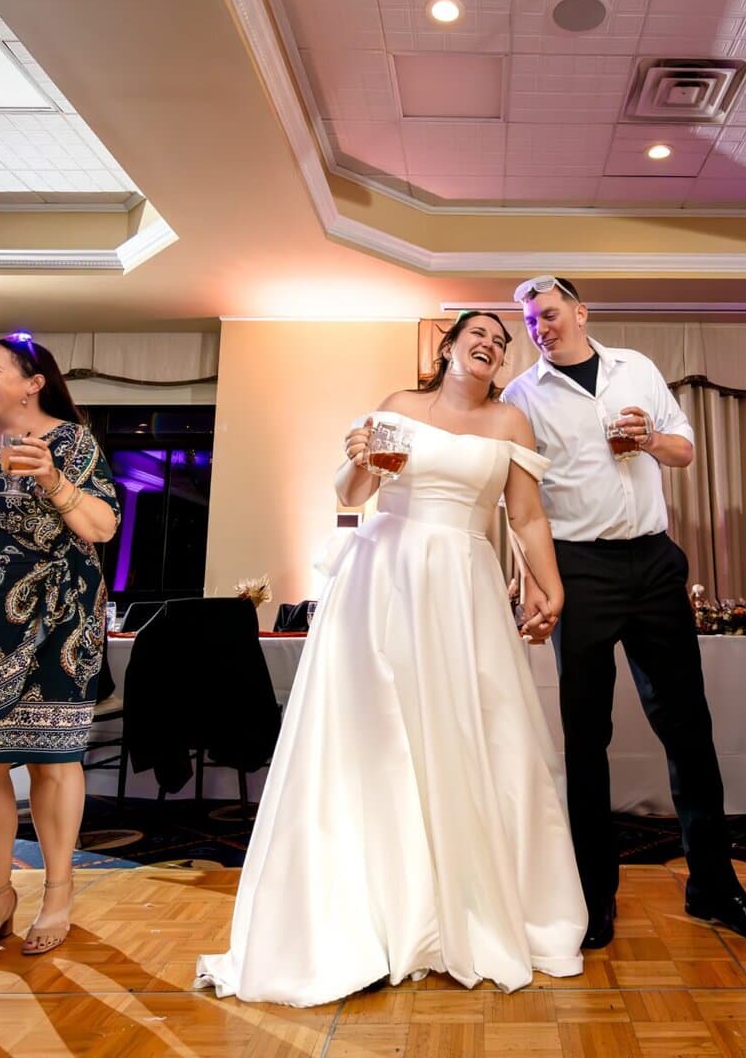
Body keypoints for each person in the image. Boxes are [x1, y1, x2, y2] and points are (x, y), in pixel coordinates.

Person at [197, 310, 586, 1005]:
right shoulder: (399, 408)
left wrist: (548, 585)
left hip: (463, 584)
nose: (491, 346)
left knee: (468, 735)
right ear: (447, 347)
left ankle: (465, 908)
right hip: (385, 580)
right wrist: (353, 457)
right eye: (480, 334)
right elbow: (353, 496)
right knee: (379, 737)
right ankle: (378, 913)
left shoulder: (510, 425)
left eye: (502, 342)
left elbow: (525, 517)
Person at [501, 276, 746, 950]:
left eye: (547, 313)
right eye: (528, 321)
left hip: (655, 562)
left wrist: (648, 442)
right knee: (586, 736)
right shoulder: (522, 397)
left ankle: (715, 889)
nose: (539, 327)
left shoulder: (636, 368)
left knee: (688, 728)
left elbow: (685, 449)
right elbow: (524, 506)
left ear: (579, 312)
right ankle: (593, 897)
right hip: (579, 568)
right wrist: (540, 585)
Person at [0, 333, 119, 967]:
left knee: (51, 758)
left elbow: (102, 527)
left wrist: (54, 481)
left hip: (58, 620)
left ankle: (58, 893)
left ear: (33, 381)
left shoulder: (69, 441)